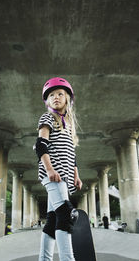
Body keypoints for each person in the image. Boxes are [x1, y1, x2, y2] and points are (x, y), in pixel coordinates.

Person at [35, 77, 83, 261]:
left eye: (60, 94)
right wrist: (49, 170)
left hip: (64, 175)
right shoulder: (47, 117)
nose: (56, 97)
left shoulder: (69, 125)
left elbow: (72, 154)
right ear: (47, 101)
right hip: (53, 174)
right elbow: (41, 145)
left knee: (53, 221)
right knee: (66, 215)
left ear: (68, 98)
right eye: (52, 95)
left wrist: (75, 175)